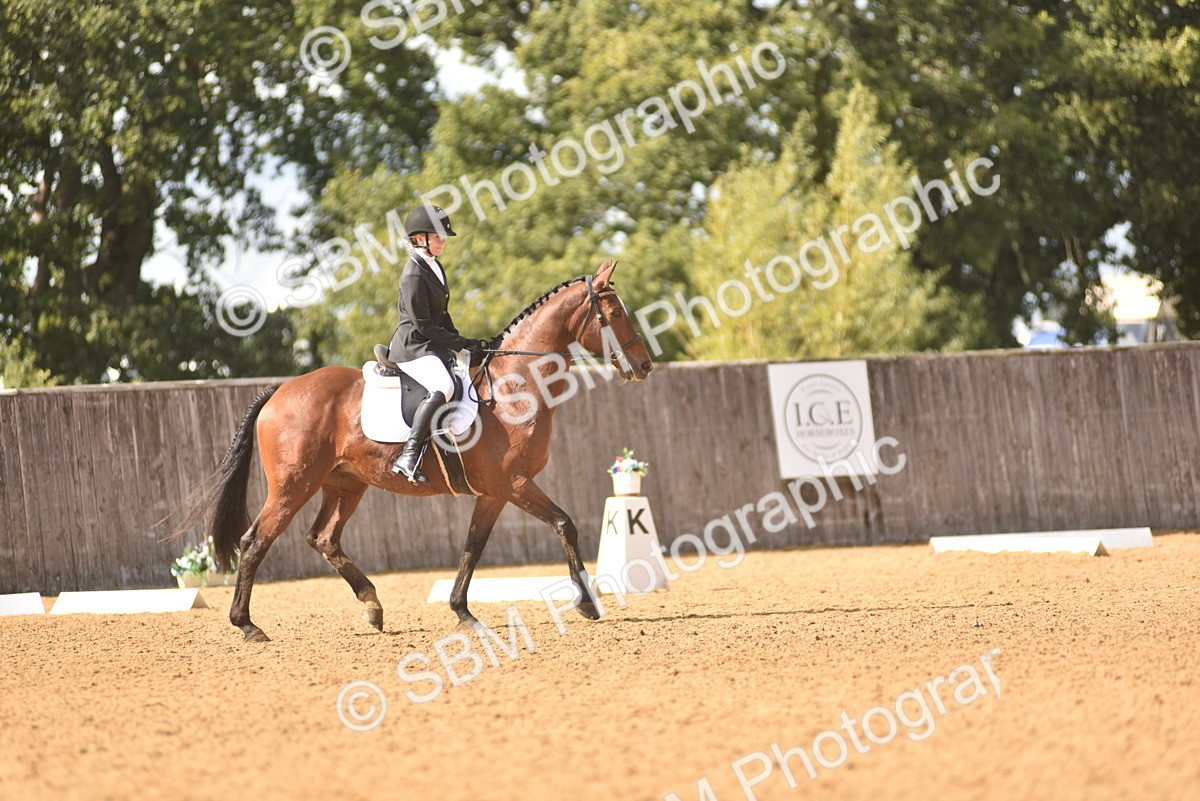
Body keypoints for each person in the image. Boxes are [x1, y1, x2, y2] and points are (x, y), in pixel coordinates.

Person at [387, 204, 487, 483]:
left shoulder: (434, 266)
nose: (443, 242)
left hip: (429, 344)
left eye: (444, 237)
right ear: (420, 239)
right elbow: (425, 325)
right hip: (412, 347)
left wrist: (468, 343)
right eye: (438, 237)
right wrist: (461, 342)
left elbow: (442, 316)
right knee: (443, 385)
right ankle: (408, 454)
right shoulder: (413, 275)